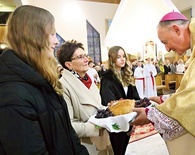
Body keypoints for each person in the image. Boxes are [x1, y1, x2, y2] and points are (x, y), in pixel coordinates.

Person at [0, 5, 88, 155]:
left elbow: (68, 135)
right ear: (33, 37)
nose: (56, 41)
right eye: (52, 34)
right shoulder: (13, 94)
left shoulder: (42, 78)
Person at [131, 11, 195, 155]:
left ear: (176, 29)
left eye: (165, 42)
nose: (167, 49)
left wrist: (151, 115)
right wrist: (165, 99)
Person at [56, 40, 113, 155]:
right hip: (86, 144)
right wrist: (99, 126)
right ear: (69, 64)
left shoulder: (87, 80)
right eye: (81, 57)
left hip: (102, 138)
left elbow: (97, 107)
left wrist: (111, 109)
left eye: (85, 55)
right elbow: (70, 125)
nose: (87, 60)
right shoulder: (63, 85)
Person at [100, 46, 140, 155]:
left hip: (130, 119)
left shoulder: (127, 75)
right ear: (112, 59)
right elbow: (109, 102)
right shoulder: (107, 78)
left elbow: (136, 98)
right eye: (118, 57)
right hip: (116, 122)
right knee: (118, 149)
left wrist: (133, 119)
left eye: (124, 56)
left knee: (125, 149)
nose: (122, 59)